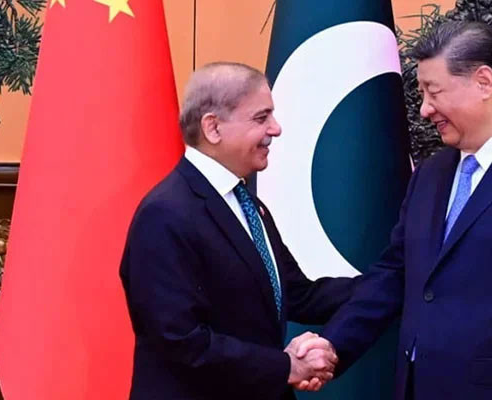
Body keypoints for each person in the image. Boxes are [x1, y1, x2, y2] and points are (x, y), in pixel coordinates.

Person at [296, 21, 492, 400]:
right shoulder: (430, 174)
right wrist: (333, 345)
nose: (425, 109)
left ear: (483, 82)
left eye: (434, 91)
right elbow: (395, 275)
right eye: (422, 93)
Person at [119, 62, 354, 400]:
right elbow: (180, 340)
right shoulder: (165, 214)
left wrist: (392, 283)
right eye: (261, 118)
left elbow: (298, 295)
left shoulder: (248, 205)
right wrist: (285, 367)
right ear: (213, 128)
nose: (276, 129)